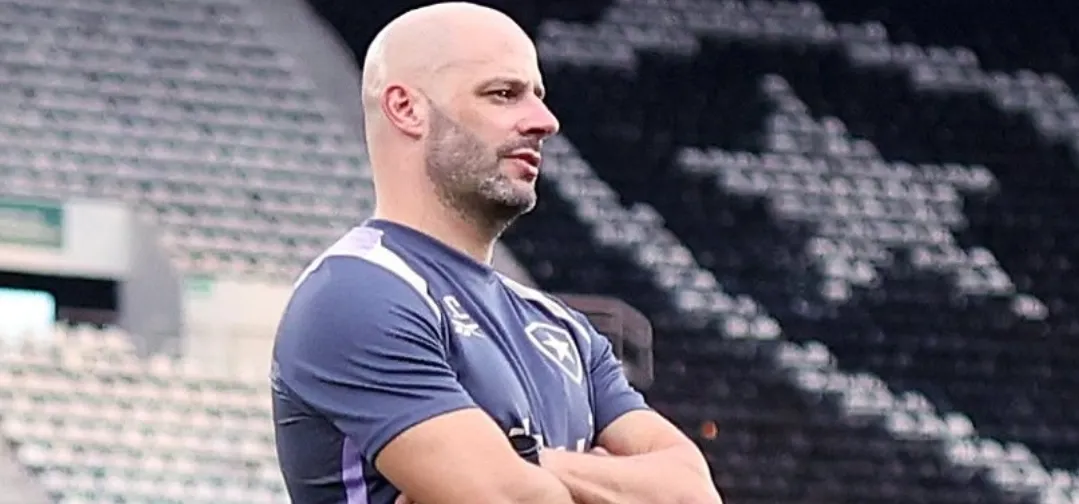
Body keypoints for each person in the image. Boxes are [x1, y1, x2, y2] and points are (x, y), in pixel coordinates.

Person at [270, 3, 723, 504]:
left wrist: (531, 459)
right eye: (504, 94)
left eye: (537, 96)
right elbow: (516, 500)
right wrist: (594, 479)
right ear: (406, 108)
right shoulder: (356, 294)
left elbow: (692, 494)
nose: (544, 121)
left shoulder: (566, 329)